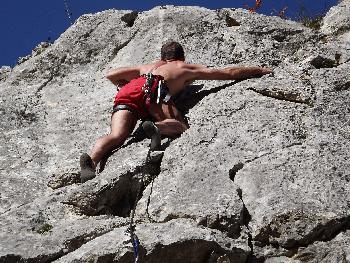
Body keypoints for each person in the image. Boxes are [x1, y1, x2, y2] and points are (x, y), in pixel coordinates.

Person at [80, 41, 272, 183]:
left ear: (163, 57)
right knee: (181, 126)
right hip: (156, 90)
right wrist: (257, 70)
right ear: (181, 57)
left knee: (116, 135)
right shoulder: (184, 67)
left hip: (131, 90)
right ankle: (157, 127)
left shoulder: (147, 66)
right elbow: (227, 73)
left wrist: (122, 84)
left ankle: (92, 162)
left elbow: (111, 75)